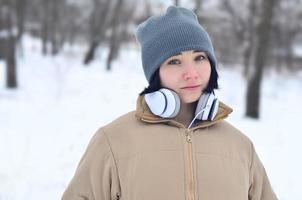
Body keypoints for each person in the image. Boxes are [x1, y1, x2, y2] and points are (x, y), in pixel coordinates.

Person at [62, 6, 277, 200]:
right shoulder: (113, 142)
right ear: (155, 73)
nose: (191, 74)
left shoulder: (240, 147)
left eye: (199, 57)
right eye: (174, 61)